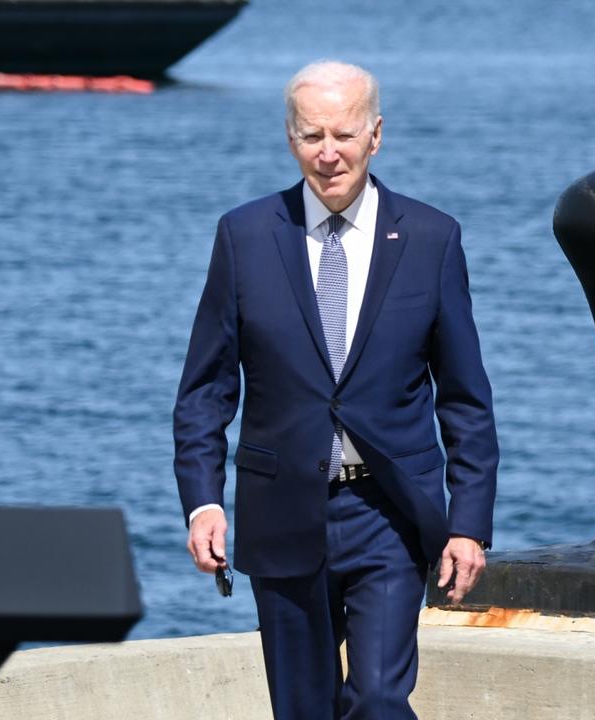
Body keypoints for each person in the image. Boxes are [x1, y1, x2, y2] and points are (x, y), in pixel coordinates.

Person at [173, 60, 499, 719]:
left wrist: (469, 525)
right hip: (281, 507)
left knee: (379, 698)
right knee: (303, 708)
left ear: (376, 135)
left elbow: (464, 399)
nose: (329, 155)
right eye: (311, 136)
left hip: (389, 511)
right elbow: (206, 390)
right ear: (290, 139)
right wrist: (202, 503)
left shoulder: (433, 239)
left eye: (344, 135)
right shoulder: (244, 236)